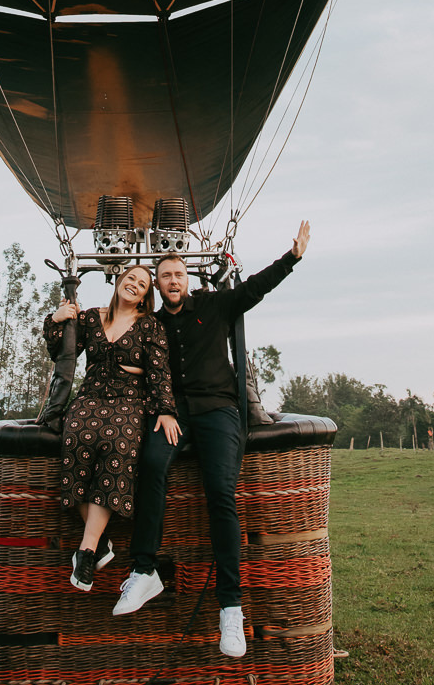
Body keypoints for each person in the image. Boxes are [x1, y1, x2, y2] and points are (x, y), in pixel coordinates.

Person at [112, 220, 311, 657]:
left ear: (188, 279)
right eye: (165, 276)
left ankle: (231, 609)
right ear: (157, 286)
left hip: (219, 409)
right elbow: (114, 337)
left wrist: (292, 258)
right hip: (174, 412)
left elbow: (254, 289)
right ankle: (144, 571)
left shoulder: (215, 305)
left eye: (179, 274)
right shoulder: (151, 325)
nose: (173, 281)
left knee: (220, 491)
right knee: (150, 465)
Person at [44, 264, 179, 591]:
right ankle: (99, 543)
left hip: (129, 400)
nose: (134, 285)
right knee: (75, 440)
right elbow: (60, 352)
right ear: (119, 281)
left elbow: (159, 372)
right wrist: (57, 320)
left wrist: (166, 410)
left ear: (146, 296)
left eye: (142, 284)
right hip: (90, 396)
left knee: (117, 444)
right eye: (130, 278)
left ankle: (87, 550)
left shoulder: (149, 326)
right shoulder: (90, 317)